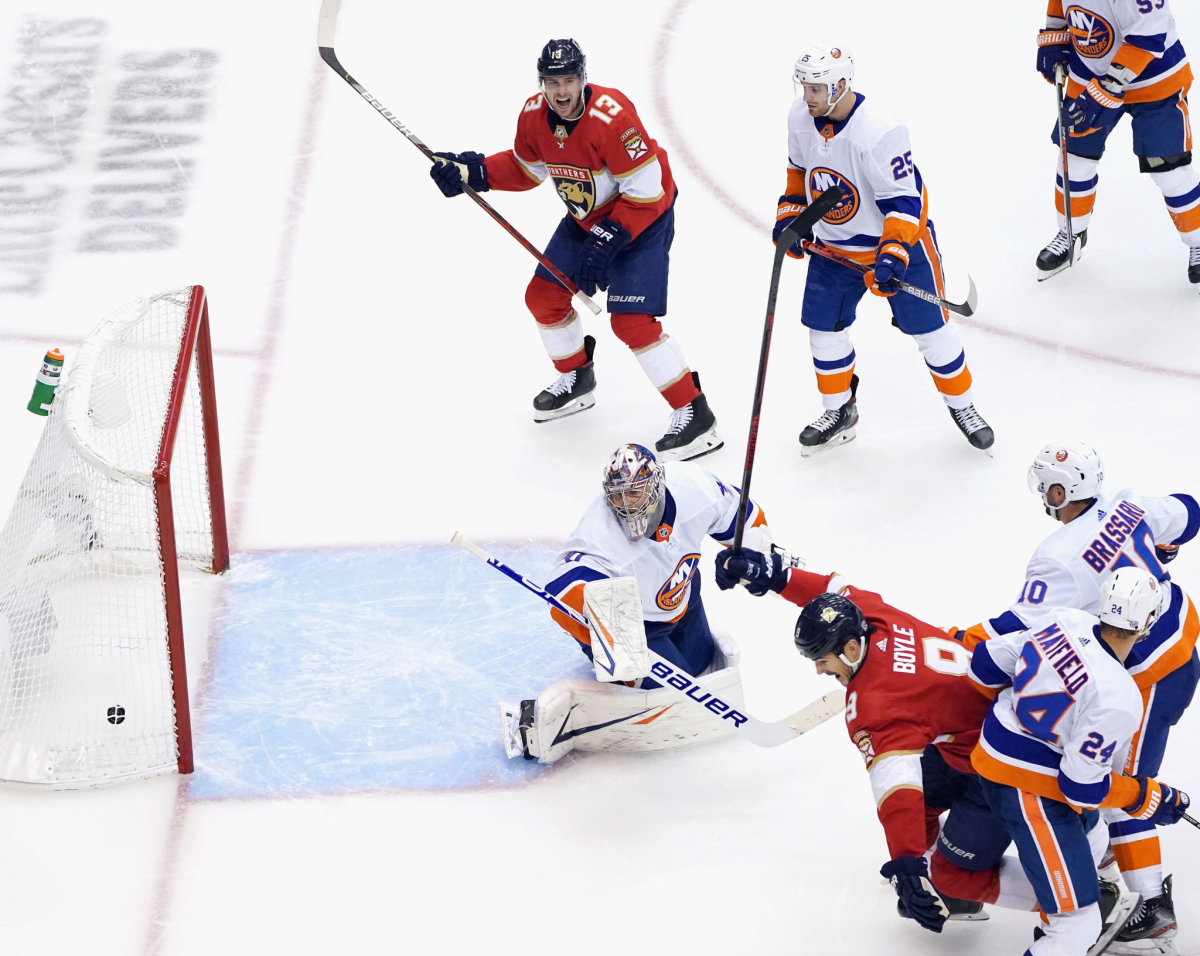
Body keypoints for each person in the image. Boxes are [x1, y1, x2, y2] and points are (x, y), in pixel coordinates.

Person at [427, 39, 721, 461]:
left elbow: (649, 190)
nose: (561, 92)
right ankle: (577, 379)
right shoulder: (533, 115)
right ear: (541, 83)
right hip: (587, 219)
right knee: (543, 297)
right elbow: (528, 169)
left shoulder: (612, 117)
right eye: (552, 82)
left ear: (583, 79)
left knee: (631, 322)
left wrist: (610, 237)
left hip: (642, 217)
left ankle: (695, 413)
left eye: (568, 81)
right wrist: (473, 172)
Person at [958, 443, 1198, 950]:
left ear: (1059, 490)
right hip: (1184, 643)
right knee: (1117, 783)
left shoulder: (1059, 560)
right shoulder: (1128, 502)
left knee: (1124, 785)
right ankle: (1102, 851)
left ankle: (1151, 903)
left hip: (1147, 675)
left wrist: (957, 638)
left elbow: (1013, 629)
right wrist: (1158, 554)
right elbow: (1187, 514)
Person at [713, 546, 1001, 935]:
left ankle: (1076, 905)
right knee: (927, 802)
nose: (819, 671)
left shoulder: (874, 703)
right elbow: (831, 589)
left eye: (822, 659)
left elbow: (895, 787)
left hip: (1001, 763)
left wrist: (907, 865)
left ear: (850, 648)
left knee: (958, 872)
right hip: (979, 724)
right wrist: (773, 576)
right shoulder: (868, 615)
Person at [775, 43, 993, 454]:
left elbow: (904, 201)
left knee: (932, 332)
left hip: (897, 244)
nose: (806, 96)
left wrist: (892, 256)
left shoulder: (879, 128)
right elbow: (798, 172)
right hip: (833, 249)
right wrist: (791, 215)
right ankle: (839, 410)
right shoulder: (801, 117)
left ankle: (963, 406)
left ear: (840, 86)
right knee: (823, 330)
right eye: (803, 86)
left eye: (816, 88)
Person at [503, 444, 771, 763]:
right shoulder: (600, 534)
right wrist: (611, 636)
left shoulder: (694, 488)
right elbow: (562, 589)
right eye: (617, 495)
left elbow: (746, 516)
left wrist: (750, 560)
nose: (624, 505)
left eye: (633, 493)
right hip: (637, 629)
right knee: (676, 702)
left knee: (702, 673)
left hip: (682, 600)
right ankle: (565, 715)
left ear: (656, 484)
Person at [1034, 0, 1199, 283]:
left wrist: (1110, 85)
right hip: (1089, 74)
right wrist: (1056, 34)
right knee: (1073, 158)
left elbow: (1149, 34)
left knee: (1169, 168)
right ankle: (1071, 233)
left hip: (1154, 81)